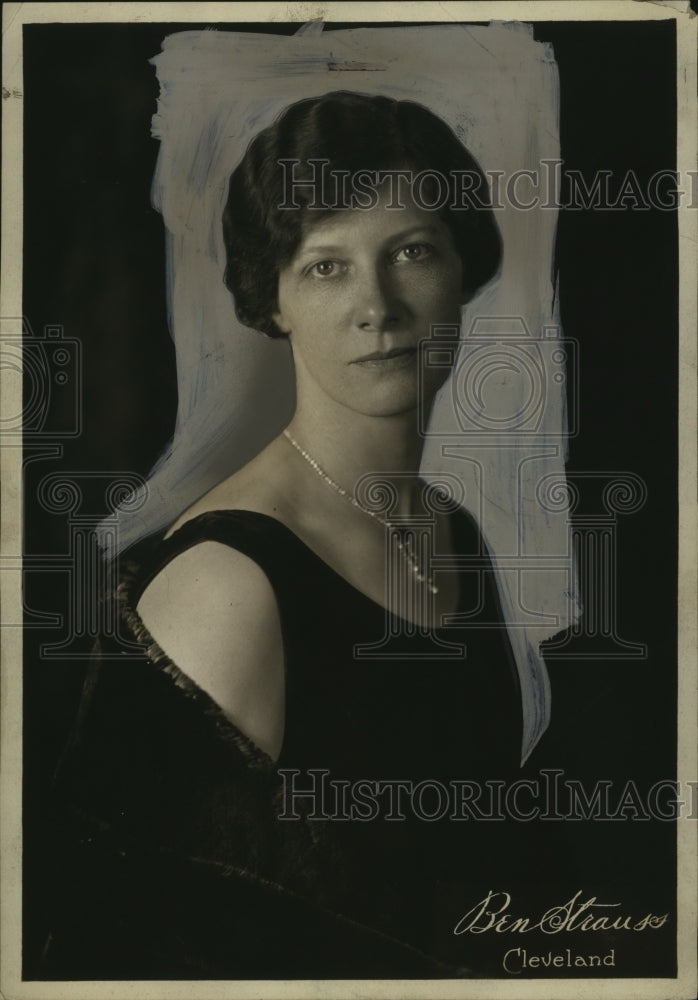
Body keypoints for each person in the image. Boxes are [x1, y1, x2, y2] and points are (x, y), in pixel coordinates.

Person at [46, 91, 547, 980]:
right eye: (326, 267)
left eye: (413, 250)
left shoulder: (453, 532)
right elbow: (134, 954)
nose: (379, 306)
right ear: (269, 299)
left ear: (462, 268)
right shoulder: (225, 583)